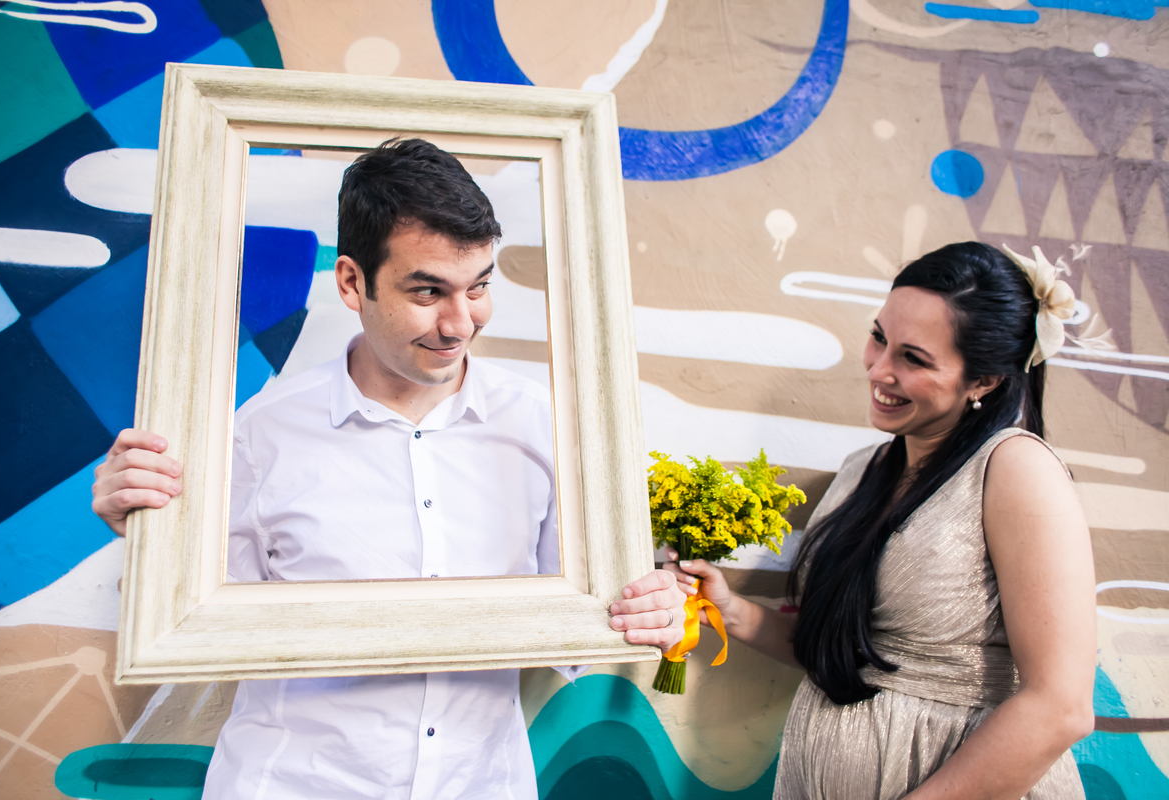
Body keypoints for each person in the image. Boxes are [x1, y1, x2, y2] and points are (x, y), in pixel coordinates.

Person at [92, 138, 685, 799]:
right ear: (351, 282)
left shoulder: (550, 428)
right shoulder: (260, 434)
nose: (460, 323)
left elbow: (577, 623)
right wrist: (143, 529)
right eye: (428, 291)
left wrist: (645, 605)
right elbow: (184, 621)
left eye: (479, 287)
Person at [670, 242, 1095, 799]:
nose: (879, 368)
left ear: (984, 381)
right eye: (879, 337)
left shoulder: (1015, 468)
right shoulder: (860, 471)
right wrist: (732, 610)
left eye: (913, 358)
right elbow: (848, 653)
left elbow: (1060, 708)